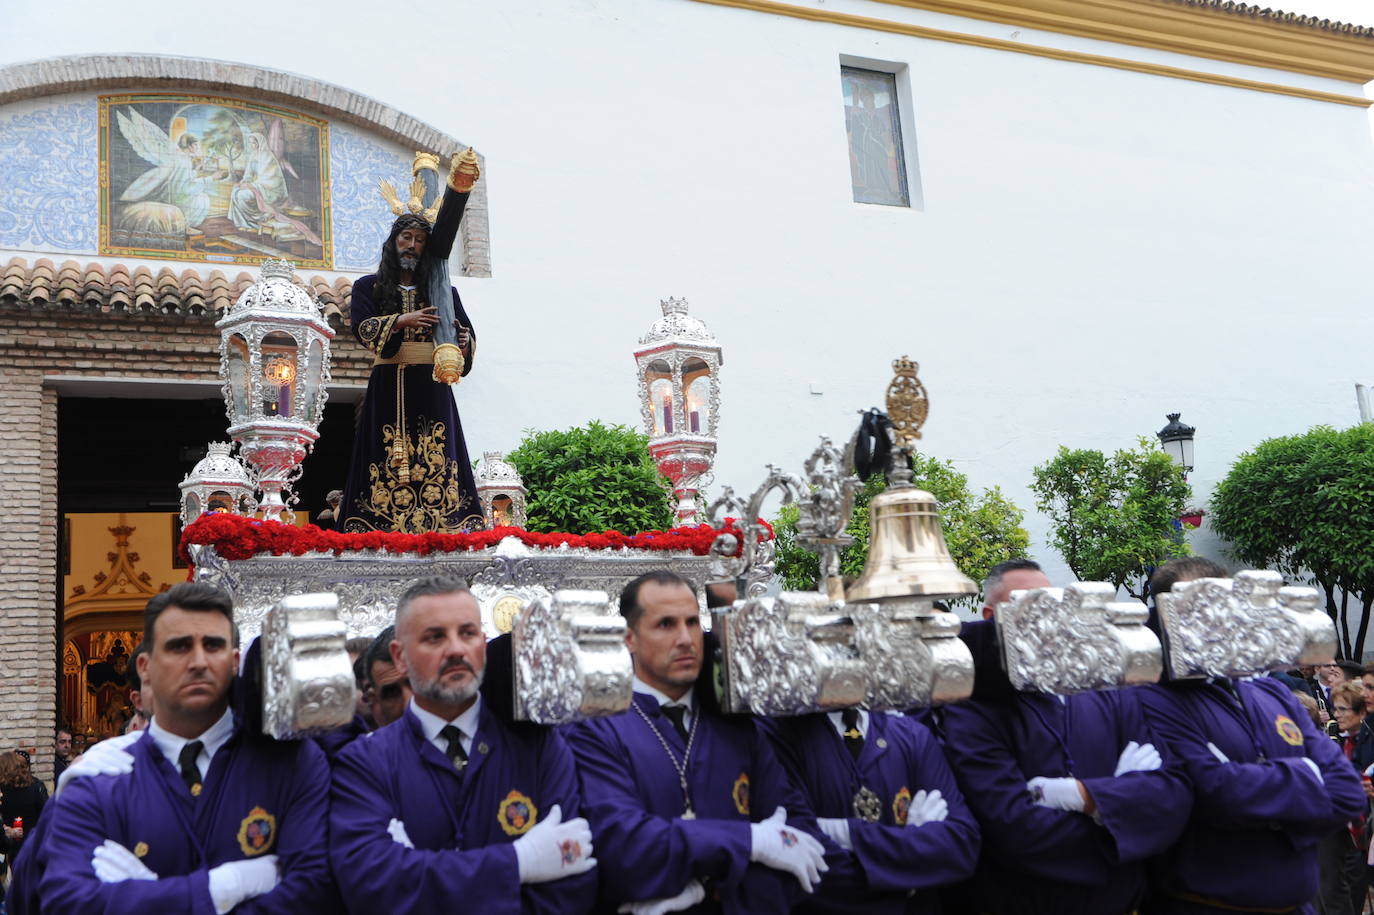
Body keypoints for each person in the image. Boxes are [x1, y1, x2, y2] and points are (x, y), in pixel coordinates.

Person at [36, 581, 336, 912]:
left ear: (235, 661)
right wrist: (223, 886)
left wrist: (142, 898)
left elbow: (311, 894)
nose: (198, 661)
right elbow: (67, 902)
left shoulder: (292, 762)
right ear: (144, 668)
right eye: (179, 647)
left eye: (213, 645)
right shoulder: (97, 780)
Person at [565, 570, 829, 914]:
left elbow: (801, 838)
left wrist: (710, 892)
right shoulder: (596, 729)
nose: (686, 638)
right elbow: (626, 849)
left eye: (692, 622)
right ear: (629, 638)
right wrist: (750, 842)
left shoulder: (739, 727)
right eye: (666, 625)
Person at [329, 576, 596, 913]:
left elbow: (571, 890)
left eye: (467, 633)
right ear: (399, 657)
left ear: (483, 644)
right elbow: (372, 887)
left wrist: (417, 871)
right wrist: (518, 862)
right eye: (434, 637)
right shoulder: (364, 762)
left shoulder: (540, 747)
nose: (456, 649)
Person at [938, 559, 1191, 914]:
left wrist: (1084, 798)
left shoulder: (1112, 691)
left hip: (1126, 899)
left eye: (1049, 603)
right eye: (1024, 605)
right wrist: (1122, 816)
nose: (1043, 617)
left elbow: (1174, 794)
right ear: (990, 616)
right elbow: (1013, 826)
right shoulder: (974, 709)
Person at [1139, 557, 1367, 914]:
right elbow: (1216, 791)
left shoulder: (1271, 692)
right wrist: (1307, 777)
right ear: (1168, 617)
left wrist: (1262, 800)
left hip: (1298, 904)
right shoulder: (1151, 699)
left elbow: (1348, 793)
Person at [337, 154, 482, 534]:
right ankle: (375, 527)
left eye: (419, 240)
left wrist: (464, 343)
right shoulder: (369, 287)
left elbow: (463, 339)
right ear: (394, 241)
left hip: (431, 387)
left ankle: (447, 524)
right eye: (406, 237)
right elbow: (364, 330)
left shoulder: (443, 290)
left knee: (440, 452)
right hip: (388, 385)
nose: (413, 245)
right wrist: (403, 320)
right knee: (381, 456)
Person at [763, 704, 980, 912]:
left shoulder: (912, 735)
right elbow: (805, 867)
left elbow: (962, 844)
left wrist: (843, 832)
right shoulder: (775, 736)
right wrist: (912, 865)